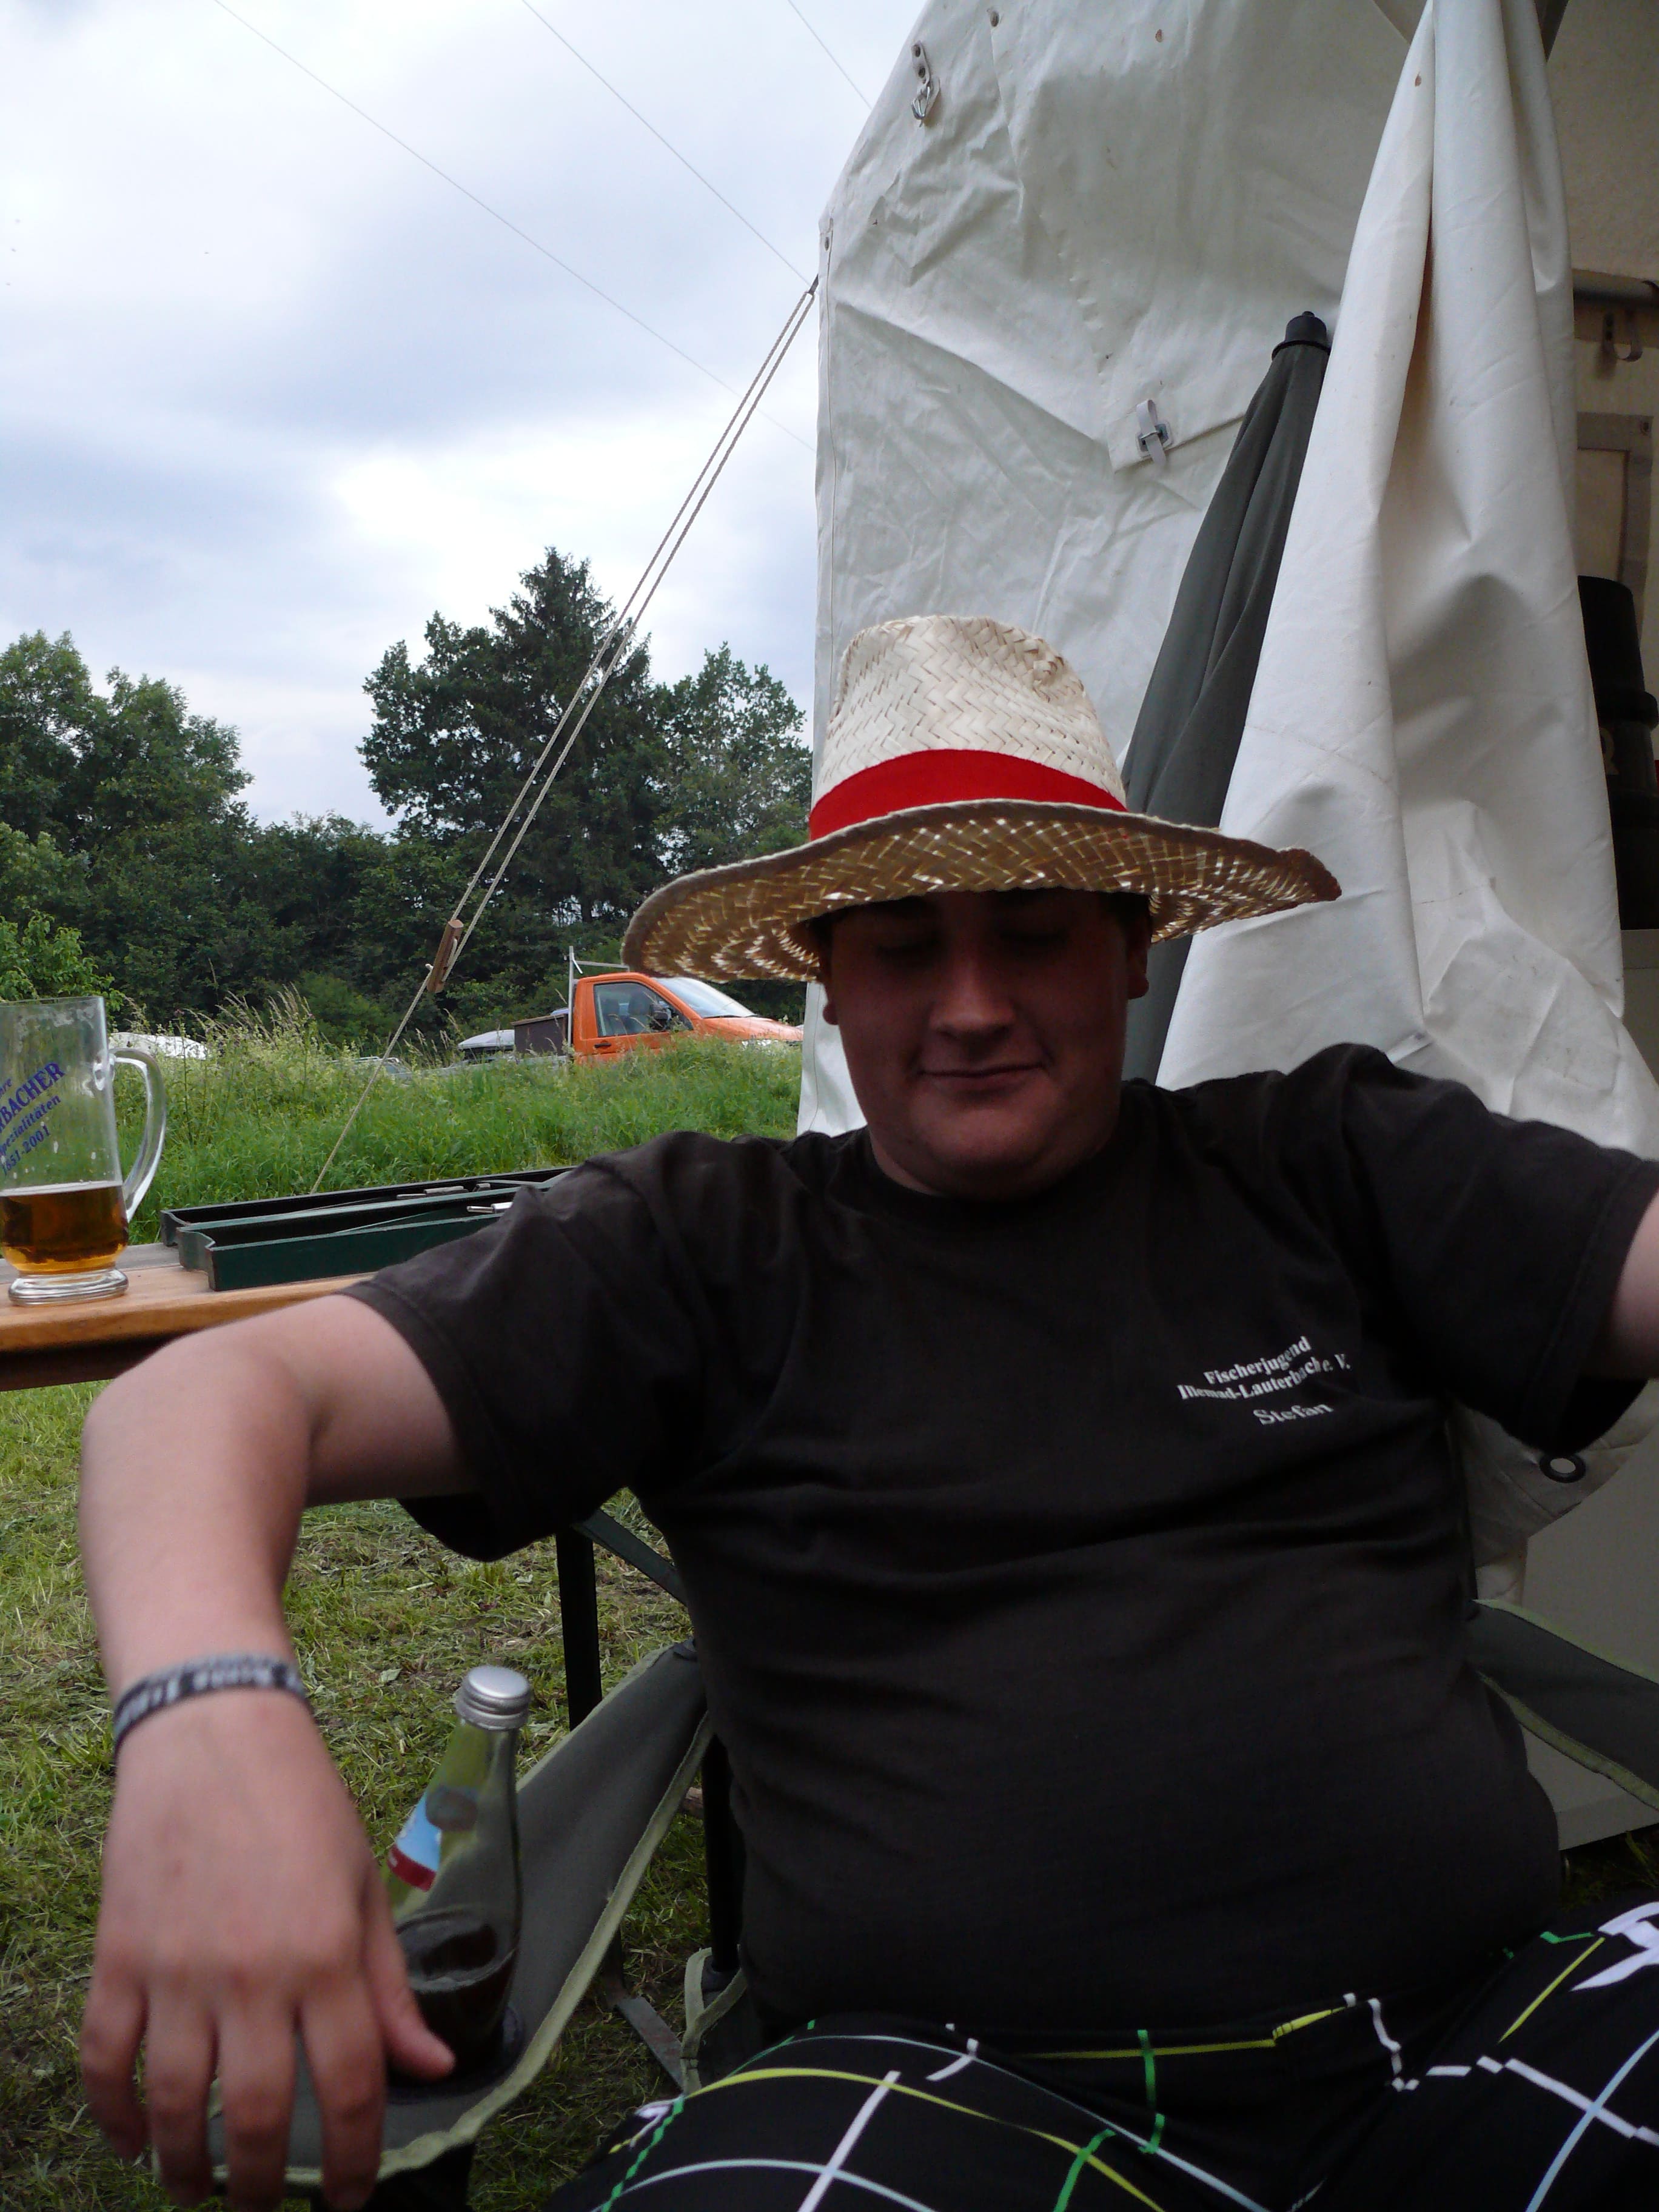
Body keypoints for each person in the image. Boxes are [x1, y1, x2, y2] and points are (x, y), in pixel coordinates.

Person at [78, 617, 1659, 2212]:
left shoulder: (1327, 1161)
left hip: (1482, 2042)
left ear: (1132, 947)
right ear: (827, 978)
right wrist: (210, 1722)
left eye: (1032, 933)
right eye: (903, 946)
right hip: (953, 2101)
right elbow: (202, 1398)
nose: (969, 1005)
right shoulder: (706, 1247)